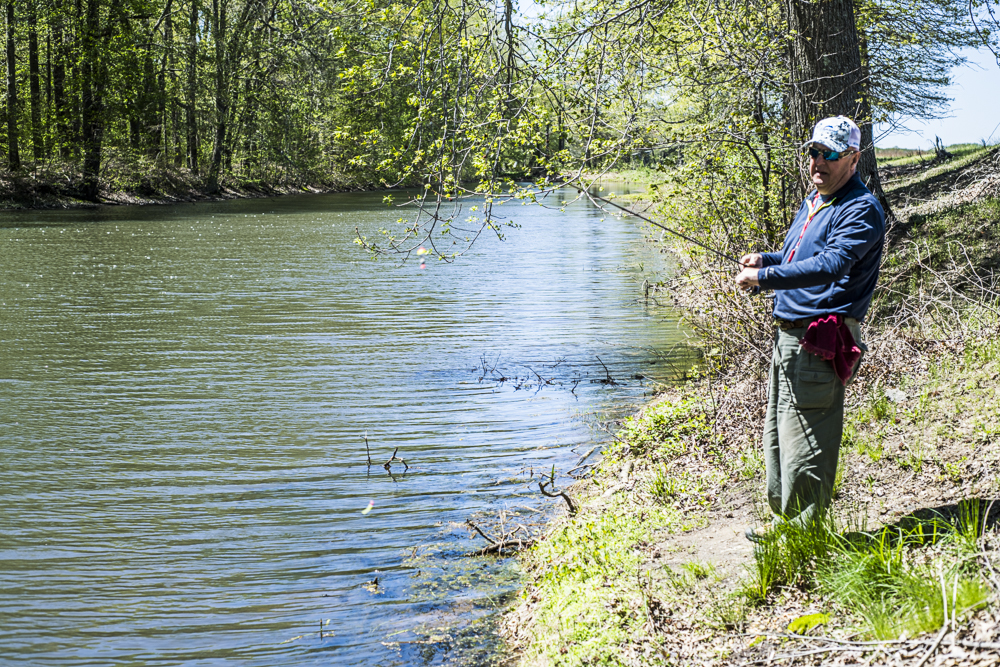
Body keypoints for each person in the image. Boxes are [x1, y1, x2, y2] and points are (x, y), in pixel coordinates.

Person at [734, 116, 886, 540]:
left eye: (830, 154)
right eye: (814, 152)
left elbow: (831, 265)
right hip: (788, 335)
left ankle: (803, 536)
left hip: (820, 340)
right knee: (779, 433)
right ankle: (786, 521)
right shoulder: (814, 201)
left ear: (853, 159)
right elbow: (797, 255)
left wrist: (765, 279)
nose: (818, 161)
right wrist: (767, 260)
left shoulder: (860, 209)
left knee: (807, 436)